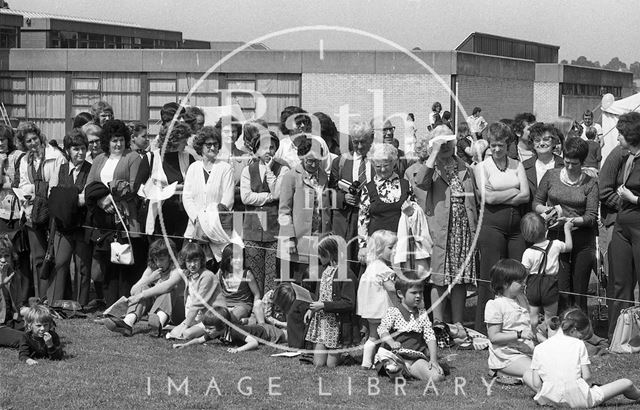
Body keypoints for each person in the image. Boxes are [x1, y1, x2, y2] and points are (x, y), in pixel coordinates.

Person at [416, 126, 478, 333]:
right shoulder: (430, 167)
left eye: (448, 143)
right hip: (441, 229)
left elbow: (475, 197)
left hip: (463, 229)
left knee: (460, 279)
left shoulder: (464, 167)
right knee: (439, 277)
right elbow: (420, 183)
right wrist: (433, 153)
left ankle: (458, 323)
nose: (445, 147)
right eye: (440, 143)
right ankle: (438, 323)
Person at [474, 122, 529, 333]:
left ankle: (519, 324)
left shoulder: (517, 165)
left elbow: (525, 195)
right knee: (491, 275)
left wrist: (501, 195)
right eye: (493, 145)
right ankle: (485, 327)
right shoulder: (482, 167)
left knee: (518, 273)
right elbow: (488, 199)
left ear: (508, 145)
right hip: (492, 225)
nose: (497, 150)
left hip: (516, 228)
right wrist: (513, 190)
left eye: (501, 146)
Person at [524, 308, 640, 408]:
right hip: (579, 399)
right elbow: (587, 378)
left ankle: (554, 394)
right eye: (582, 334)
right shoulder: (578, 344)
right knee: (627, 383)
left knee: (526, 375)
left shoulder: (540, 348)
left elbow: (536, 384)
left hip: (548, 398)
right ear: (573, 330)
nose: (582, 338)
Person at [533, 137, 598, 313]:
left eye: (574, 164)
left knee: (579, 288)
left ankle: (581, 326)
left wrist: (571, 221)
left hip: (582, 238)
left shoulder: (590, 183)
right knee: (561, 285)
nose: (569, 167)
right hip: (556, 236)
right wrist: (548, 211)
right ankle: (561, 325)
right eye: (567, 162)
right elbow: (537, 202)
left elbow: (591, 216)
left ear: (582, 162)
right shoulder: (551, 176)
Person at [85, 119, 142, 306]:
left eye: (121, 140)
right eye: (114, 140)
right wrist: (102, 201)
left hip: (125, 216)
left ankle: (125, 303)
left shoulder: (133, 157)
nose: (118, 144)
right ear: (107, 142)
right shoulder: (99, 159)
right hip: (103, 218)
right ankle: (109, 304)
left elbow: (133, 186)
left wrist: (112, 196)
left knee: (124, 260)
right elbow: (90, 186)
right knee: (107, 261)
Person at [16, 122, 66, 300]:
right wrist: (37, 189)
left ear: (40, 137)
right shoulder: (24, 160)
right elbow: (23, 186)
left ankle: (57, 296)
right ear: (24, 144)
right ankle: (42, 296)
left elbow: (59, 183)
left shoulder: (56, 155)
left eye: (35, 138)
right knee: (38, 257)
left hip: (53, 211)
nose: (33, 143)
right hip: (32, 212)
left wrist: (35, 189)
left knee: (54, 255)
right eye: (28, 141)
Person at [278, 135, 333, 285]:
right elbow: (284, 210)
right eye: (310, 161)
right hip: (298, 241)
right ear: (301, 158)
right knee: (297, 283)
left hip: (319, 239)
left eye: (317, 160)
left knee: (315, 282)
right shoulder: (291, 176)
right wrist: (289, 238)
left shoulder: (323, 177)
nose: (314, 165)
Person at [103, 239, 184, 337]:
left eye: (162, 260)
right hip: (156, 309)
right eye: (155, 259)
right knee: (143, 287)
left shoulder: (177, 269)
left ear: (171, 257)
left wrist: (141, 296)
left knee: (168, 290)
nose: (158, 263)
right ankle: (128, 323)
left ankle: (158, 323)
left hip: (178, 313)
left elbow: (166, 286)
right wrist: (149, 279)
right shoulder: (152, 268)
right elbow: (134, 290)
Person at [47, 130, 92, 305]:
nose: (80, 152)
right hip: (62, 227)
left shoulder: (91, 169)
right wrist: (74, 197)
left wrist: (67, 197)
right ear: (67, 150)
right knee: (60, 263)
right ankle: (54, 302)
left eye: (83, 148)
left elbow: (87, 198)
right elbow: (54, 196)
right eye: (75, 149)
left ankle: (80, 304)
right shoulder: (61, 169)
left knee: (82, 267)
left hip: (82, 226)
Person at [241, 131, 288, 294]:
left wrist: (269, 171)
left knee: (272, 273)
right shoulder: (248, 170)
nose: (269, 151)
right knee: (253, 273)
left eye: (273, 147)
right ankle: (256, 307)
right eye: (265, 147)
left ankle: (270, 309)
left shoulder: (282, 169)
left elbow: (278, 194)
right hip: (252, 230)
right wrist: (268, 197)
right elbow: (246, 197)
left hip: (273, 231)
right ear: (256, 149)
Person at [607, 112, 640, 339]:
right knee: (620, 280)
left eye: (620, 134)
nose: (618, 138)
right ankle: (619, 335)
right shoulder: (628, 157)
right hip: (622, 225)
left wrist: (634, 198)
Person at [376, 273, 444, 382]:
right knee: (389, 359)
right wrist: (392, 343)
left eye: (420, 292)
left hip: (415, 358)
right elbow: (382, 329)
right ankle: (395, 368)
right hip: (396, 355)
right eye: (414, 293)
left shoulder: (422, 314)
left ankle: (404, 371)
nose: (418, 296)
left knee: (438, 377)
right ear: (400, 294)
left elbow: (430, 337)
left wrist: (433, 360)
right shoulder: (393, 311)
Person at [304, 235, 358, 367]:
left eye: (321, 254)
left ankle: (345, 358)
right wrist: (311, 309)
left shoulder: (346, 274)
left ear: (329, 253)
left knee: (330, 365)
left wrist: (323, 305)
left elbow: (349, 303)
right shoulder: (324, 271)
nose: (319, 257)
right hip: (322, 321)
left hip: (336, 325)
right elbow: (320, 294)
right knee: (318, 364)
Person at [137, 122, 194, 244]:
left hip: (182, 217)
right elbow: (139, 189)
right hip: (158, 218)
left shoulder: (189, 158)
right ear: (175, 141)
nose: (187, 144)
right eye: (184, 140)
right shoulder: (150, 158)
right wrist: (167, 190)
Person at [357, 143, 416, 258]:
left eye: (386, 165)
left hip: (401, 245)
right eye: (378, 166)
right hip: (377, 246)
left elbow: (415, 214)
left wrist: (411, 212)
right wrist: (363, 246)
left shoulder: (405, 185)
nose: (383, 170)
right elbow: (363, 219)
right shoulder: (368, 188)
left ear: (394, 162)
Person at [329, 122, 374, 273]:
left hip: (370, 220)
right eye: (356, 142)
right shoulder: (340, 162)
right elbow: (329, 192)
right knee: (346, 264)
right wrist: (343, 197)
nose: (360, 146)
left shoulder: (378, 162)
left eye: (363, 142)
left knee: (367, 263)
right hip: (347, 220)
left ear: (372, 139)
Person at [520, 212, 573, 329]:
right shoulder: (556, 245)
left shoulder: (528, 252)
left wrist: (523, 287)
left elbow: (524, 272)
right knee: (551, 319)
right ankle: (551, 341)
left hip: (533, 286)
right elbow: (569, 247)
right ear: (545, 228)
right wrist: (567, 229)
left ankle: (533, 339)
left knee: (532, 318)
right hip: (550, 285)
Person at [182, 126, 235, 242]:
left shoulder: (225, 168)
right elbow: (187, 197)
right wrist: (197, 220)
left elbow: (228, 199)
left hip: (217, 230)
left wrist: (211, 221)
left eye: (215, 144)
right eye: (208, 144)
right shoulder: (193, 168)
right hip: (194, 230)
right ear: (201, 146)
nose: (212, 148)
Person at [485, 259, 535, 379]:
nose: (524, 284)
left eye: (524, 280)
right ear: (505, 283)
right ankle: (501, 371)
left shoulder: (522, 299)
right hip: (507, 356)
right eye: (519, 281)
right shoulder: (495, 305)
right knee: (539, 373)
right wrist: (519, 334)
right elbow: (494, 337)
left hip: (526, 351)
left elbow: (531, 329)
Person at [167, 242, 225, 340]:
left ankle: (218, 332)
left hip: (214, 318)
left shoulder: (207, 276)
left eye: (195, 261)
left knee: (186, 334)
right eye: (189, 261)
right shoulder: (189, 275)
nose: (192, 265)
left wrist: (185, 325)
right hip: (199, 318)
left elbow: (198, 304)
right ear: (184, 262)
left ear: (201, 260)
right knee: (174, 333)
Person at [357, 230, 397, 369]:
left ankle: (367, 362)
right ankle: (378, 361)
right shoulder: (383, 269)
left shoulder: (370, 266)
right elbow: (391, 288)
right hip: (381, 310)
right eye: (390, 248)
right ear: (380, 249)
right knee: (385, 335)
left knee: (373, 336)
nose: (394, 251)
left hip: (370, 310)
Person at [0, 124, 30, 307]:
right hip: (2, 213)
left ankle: (23, 297)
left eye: (2, 139)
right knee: (4, 257)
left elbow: (19, 183)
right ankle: (6, 296)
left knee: (20, 257)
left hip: (19, 214)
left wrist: (7, 183)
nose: (0, 143)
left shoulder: (18, 156)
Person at [172, 305, 286, 351]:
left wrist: (238, 350)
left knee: (289, 337)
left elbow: (254, 342)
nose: (207, 331)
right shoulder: (215, 332)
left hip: (268, 333)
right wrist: (184, 345)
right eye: (206, 328)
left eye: (210, 328)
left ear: (223, 326)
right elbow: (199, 340)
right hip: (259, 328)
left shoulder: (234, 331)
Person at [273, 106, 332, 175]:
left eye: (304, 122)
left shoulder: (318, 142)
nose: (303, 125)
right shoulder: (281, 147)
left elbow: (327, 171)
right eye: (298, 123)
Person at [521, 123, 564, 213]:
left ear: (554, 142)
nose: (541, 143)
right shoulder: (523, 167)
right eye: (537, 140)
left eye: (546, 139)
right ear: (532, 143)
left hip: (558, 219)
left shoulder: (564, 166)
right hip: (531, 219)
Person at [215, 116, 252, 212]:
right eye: (226, 132)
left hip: (240, 206)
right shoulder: (214, 157)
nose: (231, 135)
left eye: (234, 131)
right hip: (217, 207)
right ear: (220, 133)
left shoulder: (246, 157)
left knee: (238, 227)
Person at [218, 243, 261, 321]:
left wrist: (253, 315)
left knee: (231, 318)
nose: (239, 260)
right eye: (234, 258)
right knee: (214, 318)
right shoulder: (221, 273)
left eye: (240, 257)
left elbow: (257, 294)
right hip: (225, 304)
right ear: (227, 259)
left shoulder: (247, 274)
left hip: (242, 305)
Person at [0, 236, 24, 348]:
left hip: (11, 321)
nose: (3, 260)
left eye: (6, 256)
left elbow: (18, 306)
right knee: (24, 338)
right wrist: (1, 283)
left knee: (44, 325)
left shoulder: (14, 275)